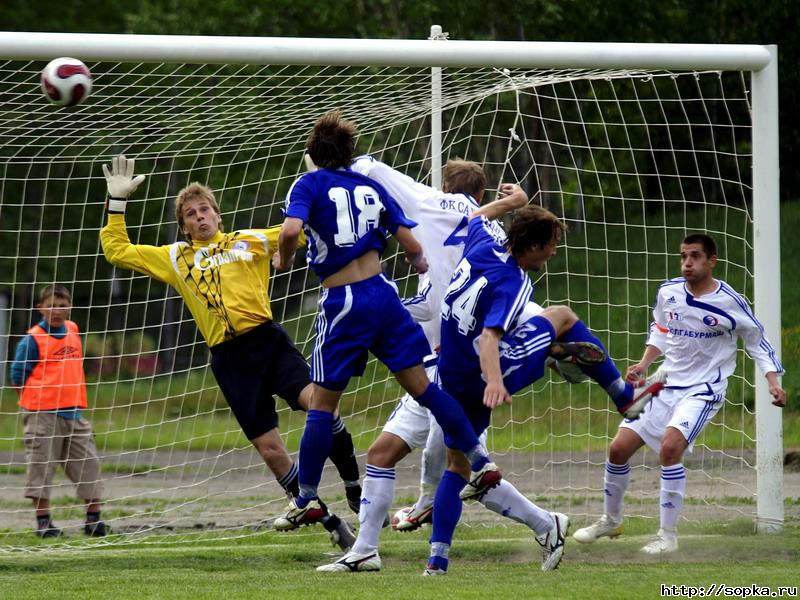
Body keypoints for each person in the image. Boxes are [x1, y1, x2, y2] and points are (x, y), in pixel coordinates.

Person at [316, 156, 577, 573]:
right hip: (443, 371)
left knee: (463, 470)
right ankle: (369, 548)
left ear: (444, 188)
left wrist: (328, 165)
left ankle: (542, 524)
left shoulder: (433, 205)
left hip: (453, 373)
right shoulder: (489, 234)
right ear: (482, 194)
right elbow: (506, 300)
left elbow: (369, 166)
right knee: (399, 457)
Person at [99, 156, 359, 551]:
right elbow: (117, 250)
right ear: (183, 226)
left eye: (205, 210)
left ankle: (353, 482)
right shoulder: (175, 258)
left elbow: (307, 228)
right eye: (190, 214)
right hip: (229, 360)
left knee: (320, 405)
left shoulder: (249, 240)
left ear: (218, 216)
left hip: (268, 342)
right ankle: (325, 517)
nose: (199, 216)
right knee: (271, 451)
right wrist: (116, 203)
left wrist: (318, 183)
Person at [274, 110, 503, 533]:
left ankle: (305, 497)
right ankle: (480, 460)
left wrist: (283, 257)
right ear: (350, 152)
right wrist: (418, 260)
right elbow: (413, 246)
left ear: (312, 153)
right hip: (386, 297)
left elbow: (290, 231)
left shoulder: (308, 182)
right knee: (425, 389)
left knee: (322, 405)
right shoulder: (369, 185)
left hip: (345, 301)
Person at [422, 203, 666, 576]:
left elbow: (473, 218)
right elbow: (489, 338)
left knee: (456, 466)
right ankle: (618, 394)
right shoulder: (513, 281)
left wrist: (512, 200)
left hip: (450, 374)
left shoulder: (483, 243)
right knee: (563, 315)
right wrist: (495, 381)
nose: (554, 253)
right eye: (551, 245)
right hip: (487, 372)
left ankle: (437, 562)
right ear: (532, 246)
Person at [572, 233, 786, 554]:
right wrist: (644, 364)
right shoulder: (668, 291)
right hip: (664, 381)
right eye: (684, 256)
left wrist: (772, 380)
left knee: (670, 449)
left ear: (711, 261)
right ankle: (611, 520)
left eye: (695, 256)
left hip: (703, 388)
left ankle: (667, 536)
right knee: (617, 449)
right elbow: (661, 329)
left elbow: (756, 340)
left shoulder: (729, 301)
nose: (688, 263)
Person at [9, 284, 108, 538]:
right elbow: (16, 375)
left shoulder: (73, 330)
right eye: (51, 305)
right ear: (40, 307)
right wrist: (37, 400)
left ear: (69, 308)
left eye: (62, 305)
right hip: (42, 415)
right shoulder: (33, 339)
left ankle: (93, 521)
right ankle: (44, 523)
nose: (57, 310)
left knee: (89, 465)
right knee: (41, 467)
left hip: (74, 413)